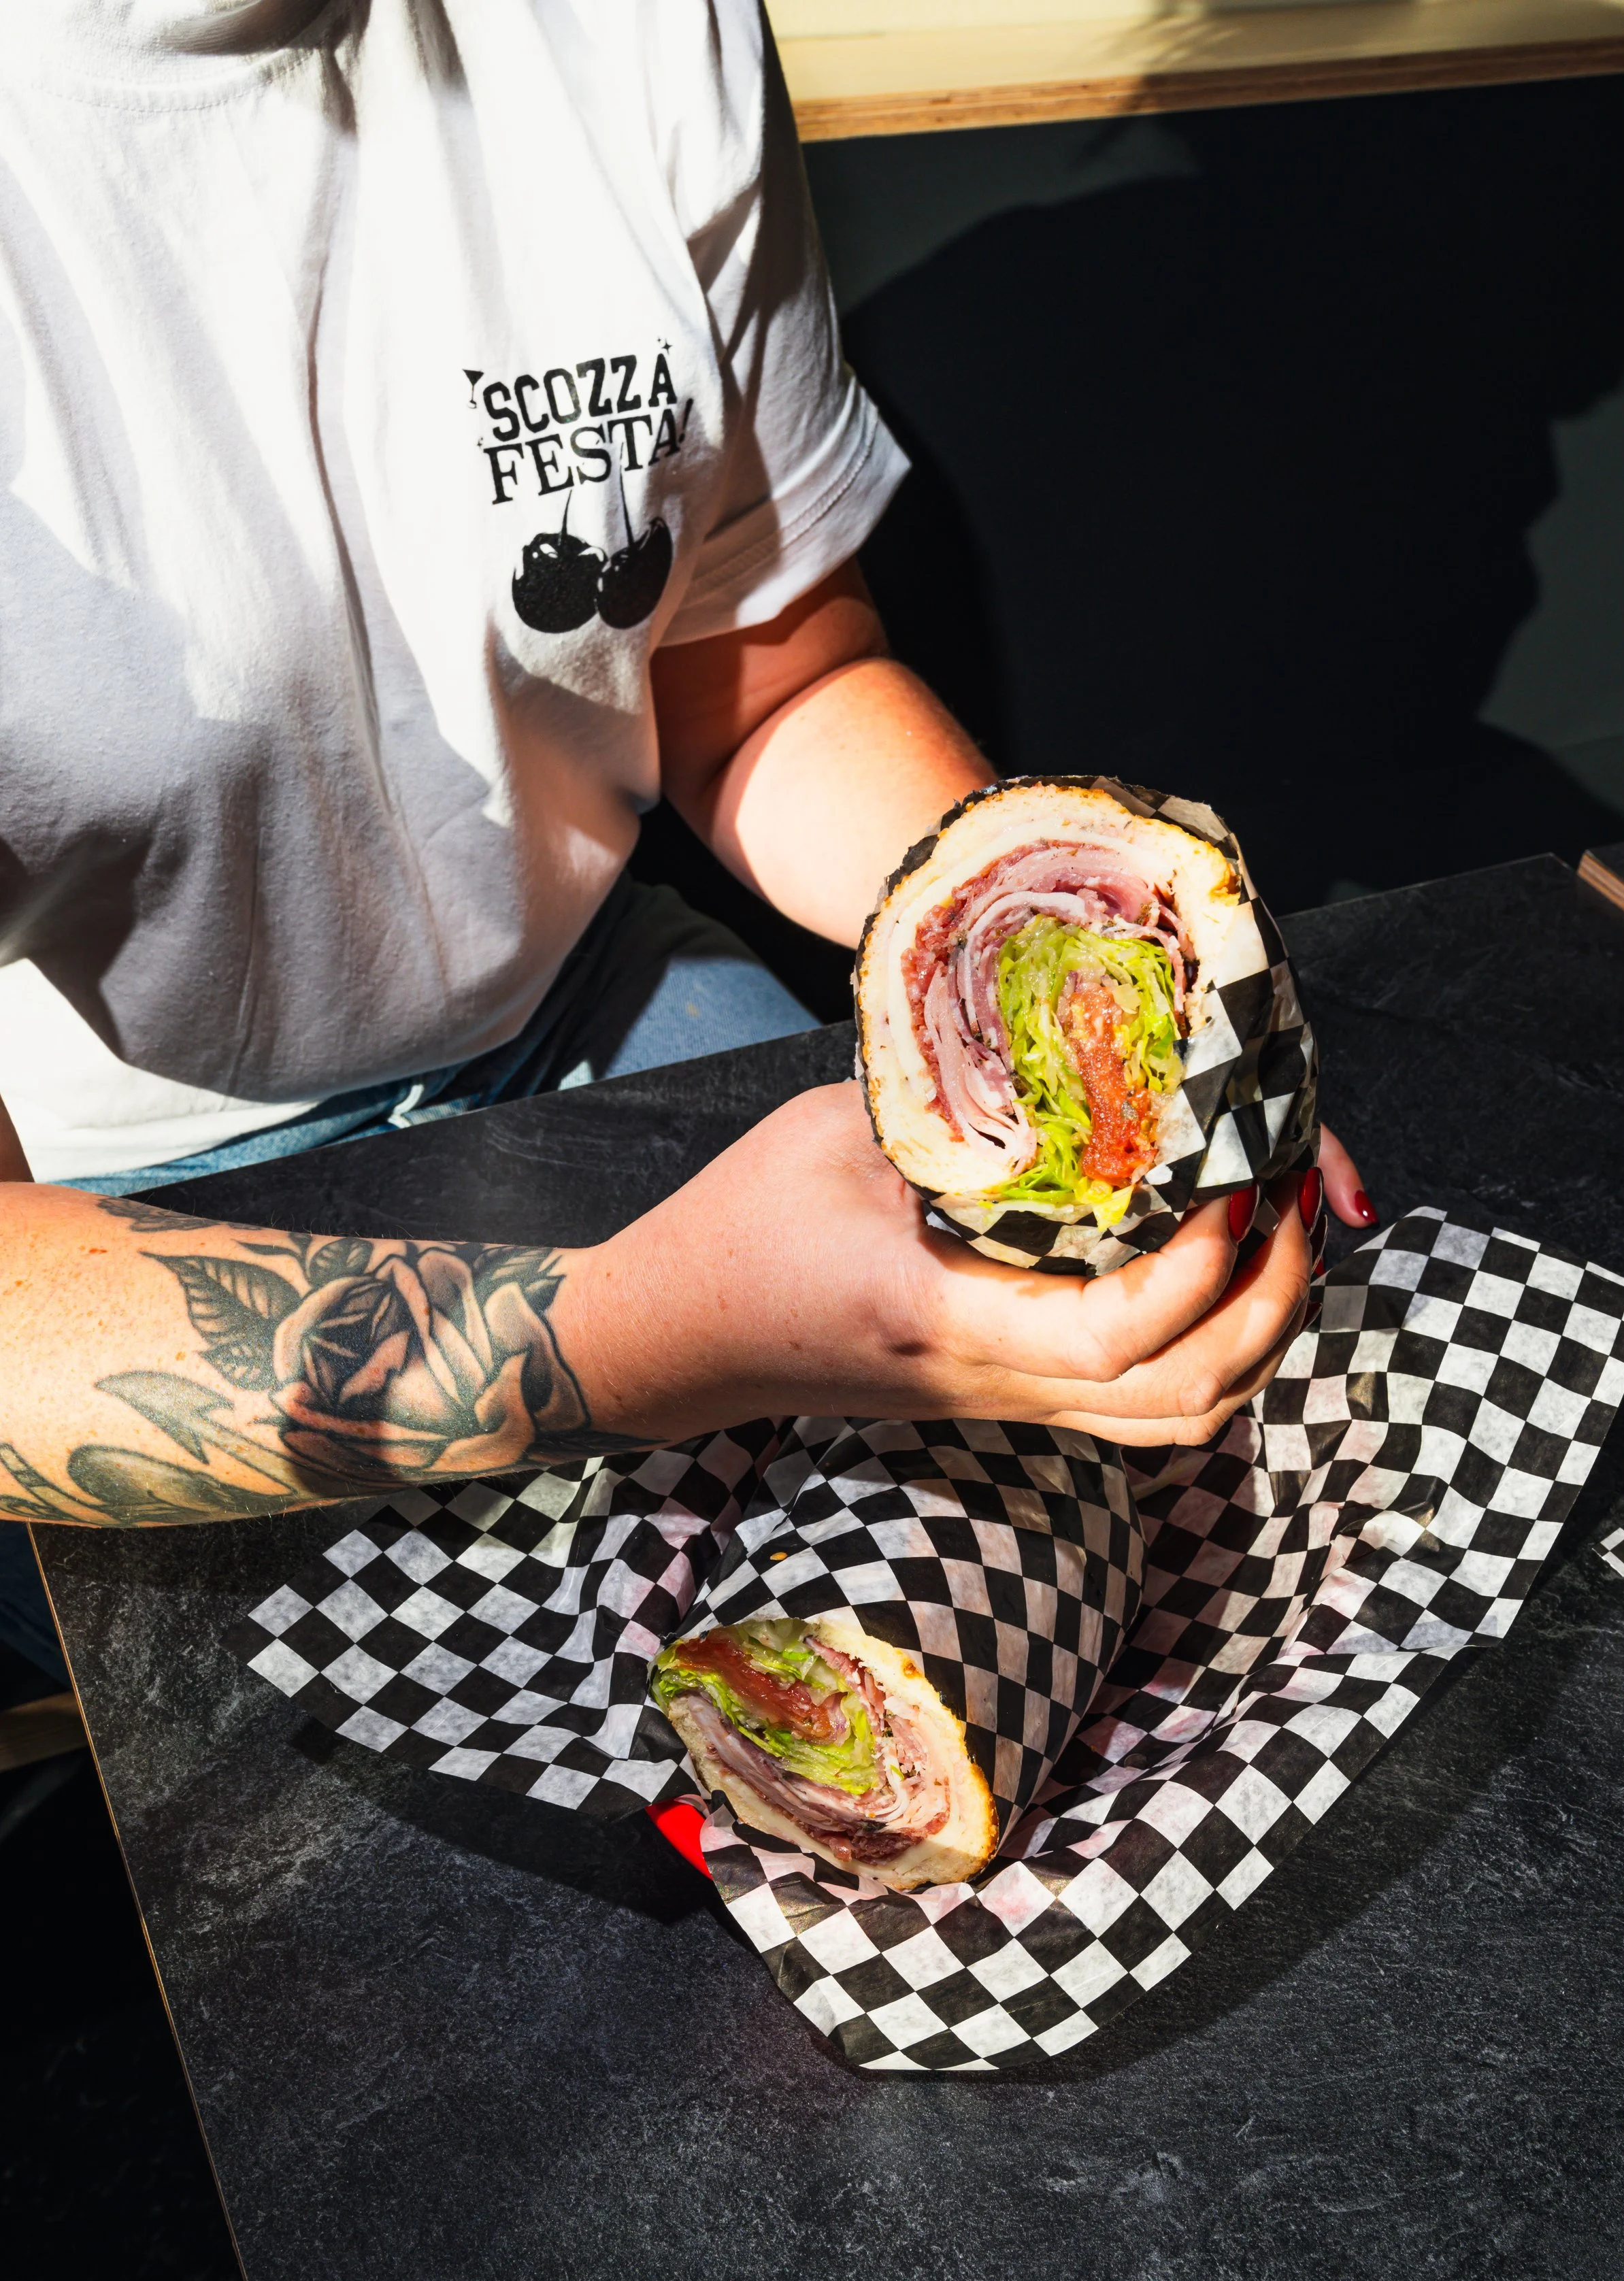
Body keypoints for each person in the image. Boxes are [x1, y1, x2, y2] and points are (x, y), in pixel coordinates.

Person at [0, 0, 1369, 1685]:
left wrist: (1037, 995)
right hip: (103, 1210)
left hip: (596, 1009)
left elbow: (769, 669)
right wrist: (668, 1330)